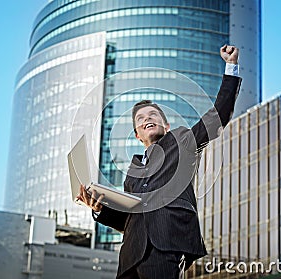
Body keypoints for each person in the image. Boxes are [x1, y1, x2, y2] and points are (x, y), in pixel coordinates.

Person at [77, 45, 242, 278]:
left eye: (153, 115)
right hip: (130, 257)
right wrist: (99, 209)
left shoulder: (183, 141)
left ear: (166, 126)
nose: (147, 119)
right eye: (141, 118)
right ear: (137, 134)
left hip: (167, 245)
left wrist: (231, 66)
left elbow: (219, 115)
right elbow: (128, 219)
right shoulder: (132, 171)